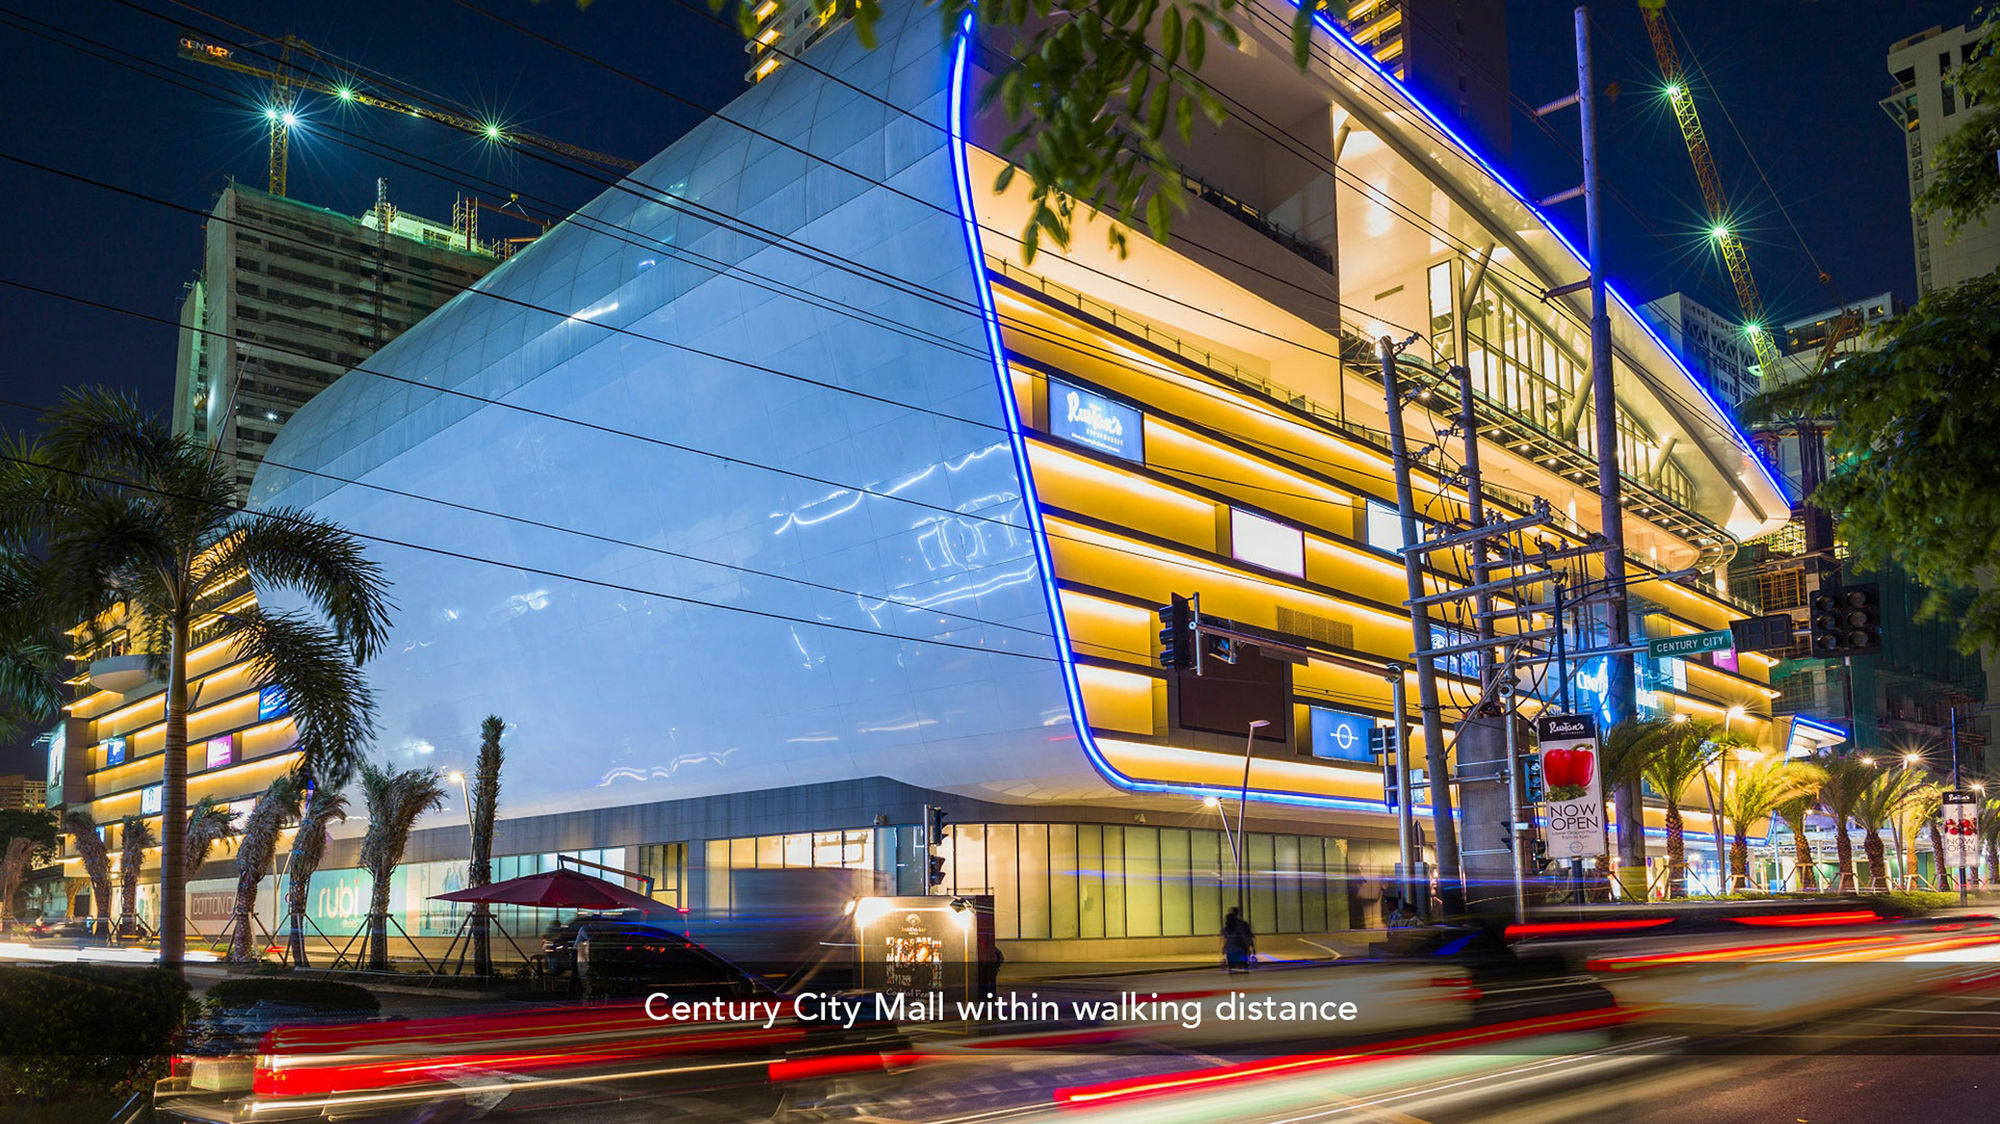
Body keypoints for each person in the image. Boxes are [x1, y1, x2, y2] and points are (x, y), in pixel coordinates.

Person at [1221, 906, 1256, 972]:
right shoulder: (1242, 925)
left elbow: (1225, 939)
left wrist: (1224, 948)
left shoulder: (1226, 928)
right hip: (1240, 948)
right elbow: (1246, 937)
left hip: (1231, 950)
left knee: (1232, 968)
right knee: (1243, 966)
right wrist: (1250, 947)